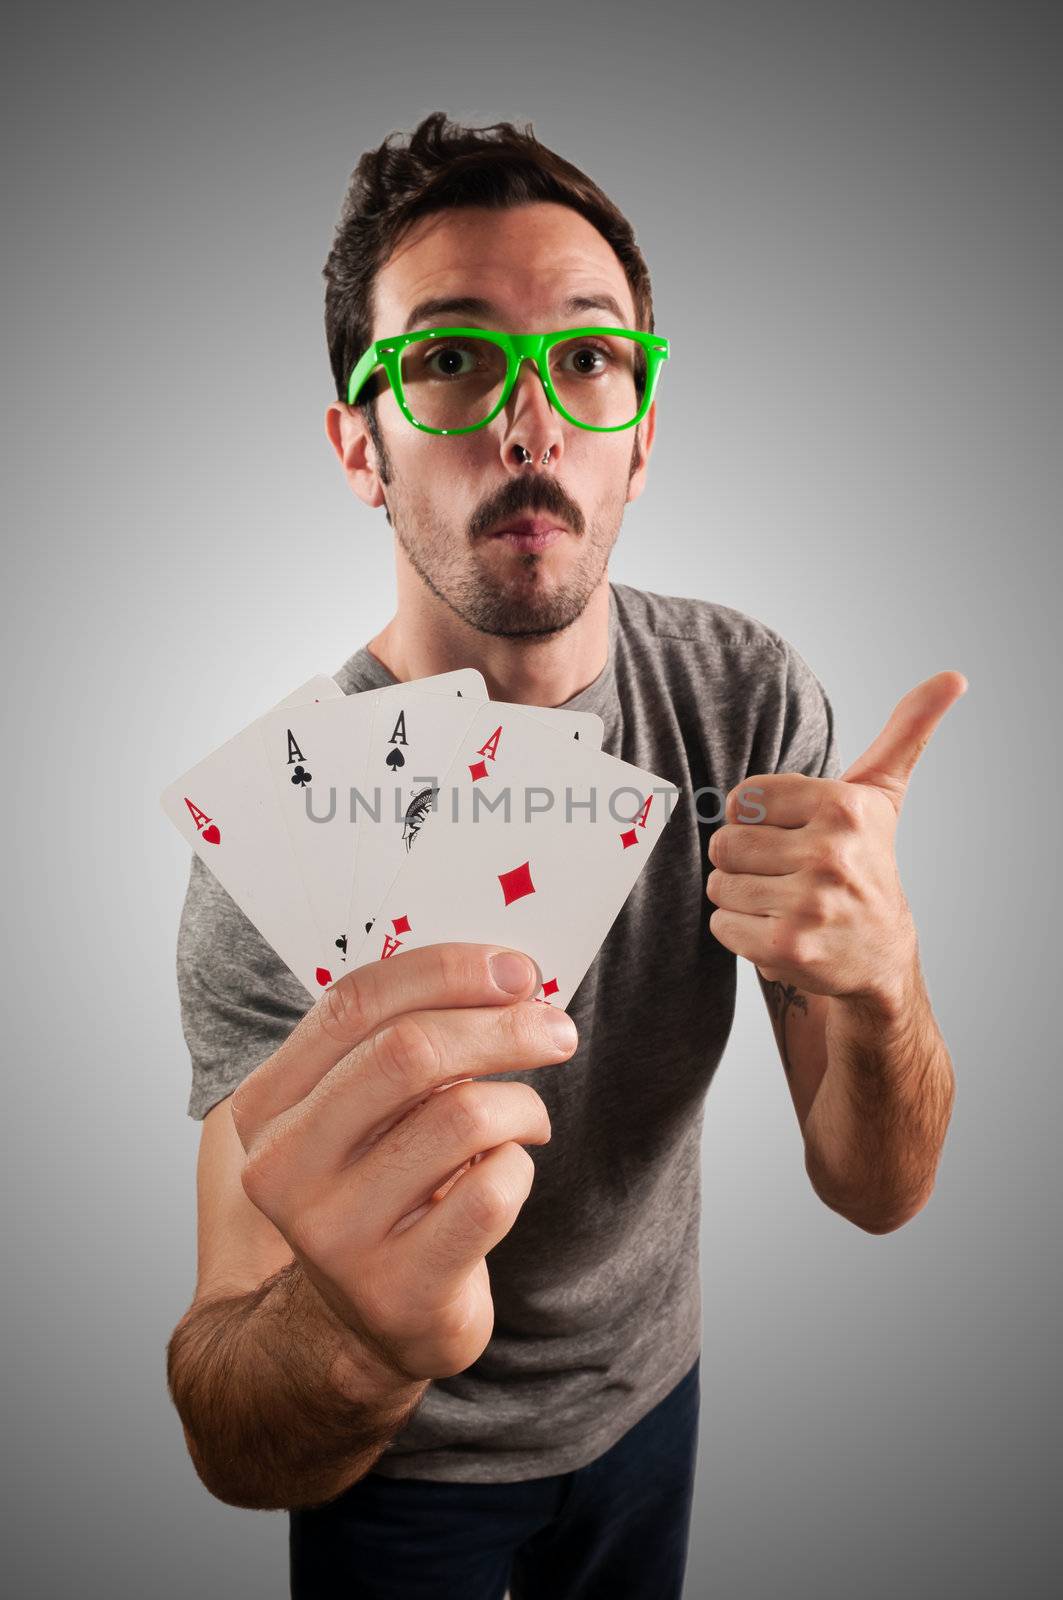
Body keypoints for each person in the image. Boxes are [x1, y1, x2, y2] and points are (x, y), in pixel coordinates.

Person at [165, 112, 963, 1599]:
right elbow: (231, 1420)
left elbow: (874, 1187)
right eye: (452, 359)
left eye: (588, 359)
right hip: (397, 1470)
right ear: (361, 445)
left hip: (655, 1400)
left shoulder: (749, 703)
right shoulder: (279, 834)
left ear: (642, 435)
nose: (531, 419)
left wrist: (888, 984)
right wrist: (361, 1336)